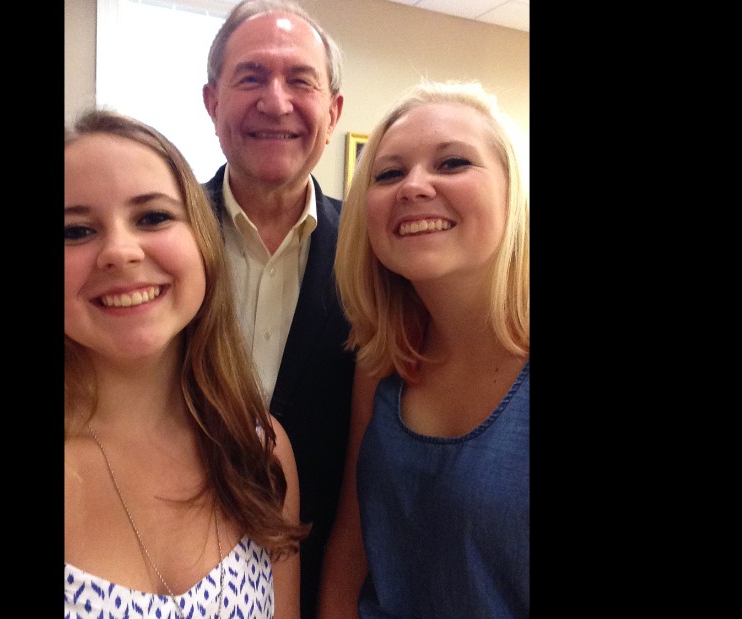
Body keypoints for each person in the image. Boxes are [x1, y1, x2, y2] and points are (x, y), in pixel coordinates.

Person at [64, 109, 310, 619]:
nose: (120, 252)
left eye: (153, 217)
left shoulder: (258, 446)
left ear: (203, 242)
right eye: (75, 231)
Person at [318, 80, 530, 619]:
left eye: (453, 163)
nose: (414, 187)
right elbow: (352, 550)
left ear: (513, 191)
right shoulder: (384, 360)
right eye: (389, 173)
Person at [200, 2, 355, 616]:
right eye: (250, 76)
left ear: (334, 110)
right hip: (169, 572)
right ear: (212, 102)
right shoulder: (160, 246)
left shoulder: (380, 256)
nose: (276, 100)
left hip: (324, 580)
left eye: (300, 80)